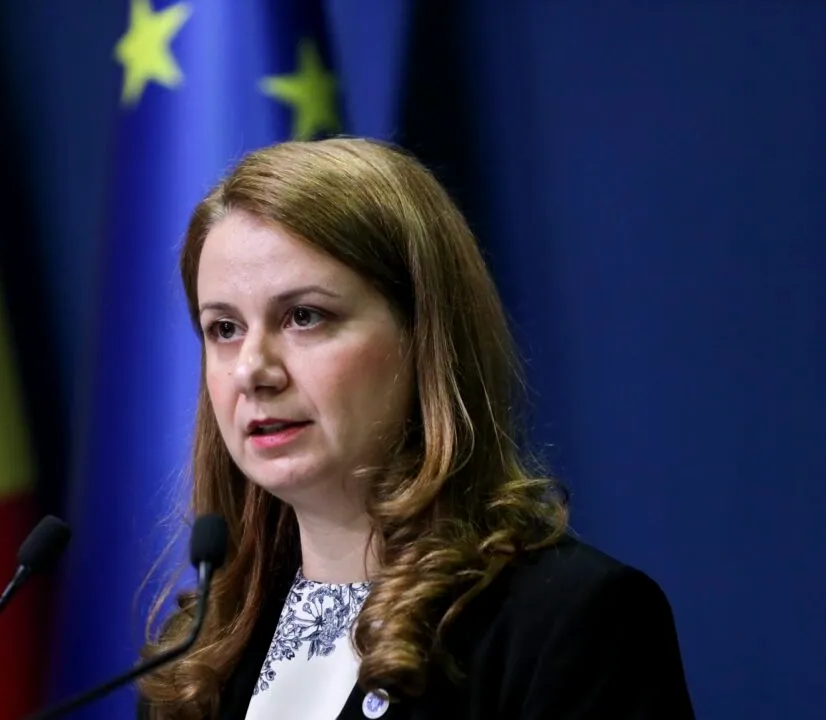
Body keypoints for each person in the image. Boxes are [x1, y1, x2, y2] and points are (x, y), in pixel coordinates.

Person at [136, 137, 695, 719]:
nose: (252, 370)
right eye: (224, 328)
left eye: (304, 316)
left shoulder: (567, 623)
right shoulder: (196, 661)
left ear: (424, 337)